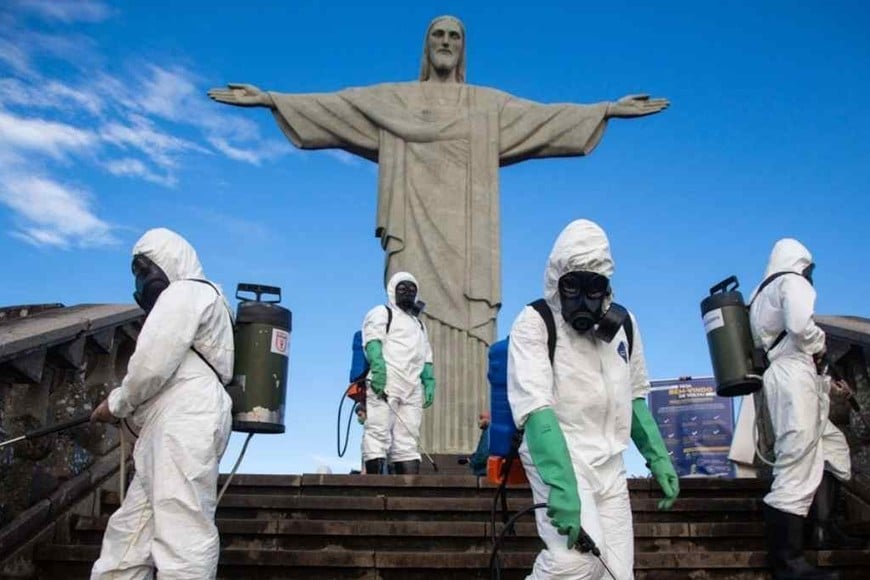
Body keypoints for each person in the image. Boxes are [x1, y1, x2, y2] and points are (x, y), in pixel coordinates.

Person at [208, 15, 668, 456]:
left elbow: (544, 119)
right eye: (438, 36)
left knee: (472, 340)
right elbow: (338, 107)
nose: (446, 42)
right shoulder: (397, 101)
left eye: (454, 36)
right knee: (411, 325)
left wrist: (605, 110)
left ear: (462, 48)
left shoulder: (487, 106)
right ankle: (408, 450)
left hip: (470, 251)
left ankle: (474, 445)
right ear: (426, 47)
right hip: (413, 238)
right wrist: (272, 100)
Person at [507, 219, 678, 579]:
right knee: (574, 562)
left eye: (594, 287)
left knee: (617, 573)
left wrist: (657, 457)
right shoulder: (534, 322)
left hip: (610, 463)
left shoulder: (624, 326)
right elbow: (535, 409)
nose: (584, 299)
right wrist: (563, 487)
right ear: (557, 282)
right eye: (572, 286)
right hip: (561, 454)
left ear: (606, 287)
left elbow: (634, 396)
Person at [89, 228, 234, 579]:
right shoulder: (208, 301)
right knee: (129, 534)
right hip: (172, 423)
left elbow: (152, 364)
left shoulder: (188, 291)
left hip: (185, 418)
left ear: (170, 260)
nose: (141, 281)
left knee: (181, 530)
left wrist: (117, 403)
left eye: (144, 269)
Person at [749, 238, 857, 580]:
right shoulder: (791, 281)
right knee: (796, 461)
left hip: (791, 375)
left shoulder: (759, 295)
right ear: (801, 263)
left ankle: (825, 528)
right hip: (793, 376)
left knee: (833, 447)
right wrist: (820, 342)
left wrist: (825, 383)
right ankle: (788, 562)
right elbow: (798, 327)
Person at [361, 272, 435, 475]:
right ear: (393, 291)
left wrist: (428, 380)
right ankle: (374, 483)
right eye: (403, 288)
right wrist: (378, 370)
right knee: (378, 431)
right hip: (387, 380)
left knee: (409, 435)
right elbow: (373, 341)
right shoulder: (382, 312)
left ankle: (407, 487)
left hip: (412, 386)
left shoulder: (419, 324)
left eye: (412, 289)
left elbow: (426, 355)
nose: (408, 293)